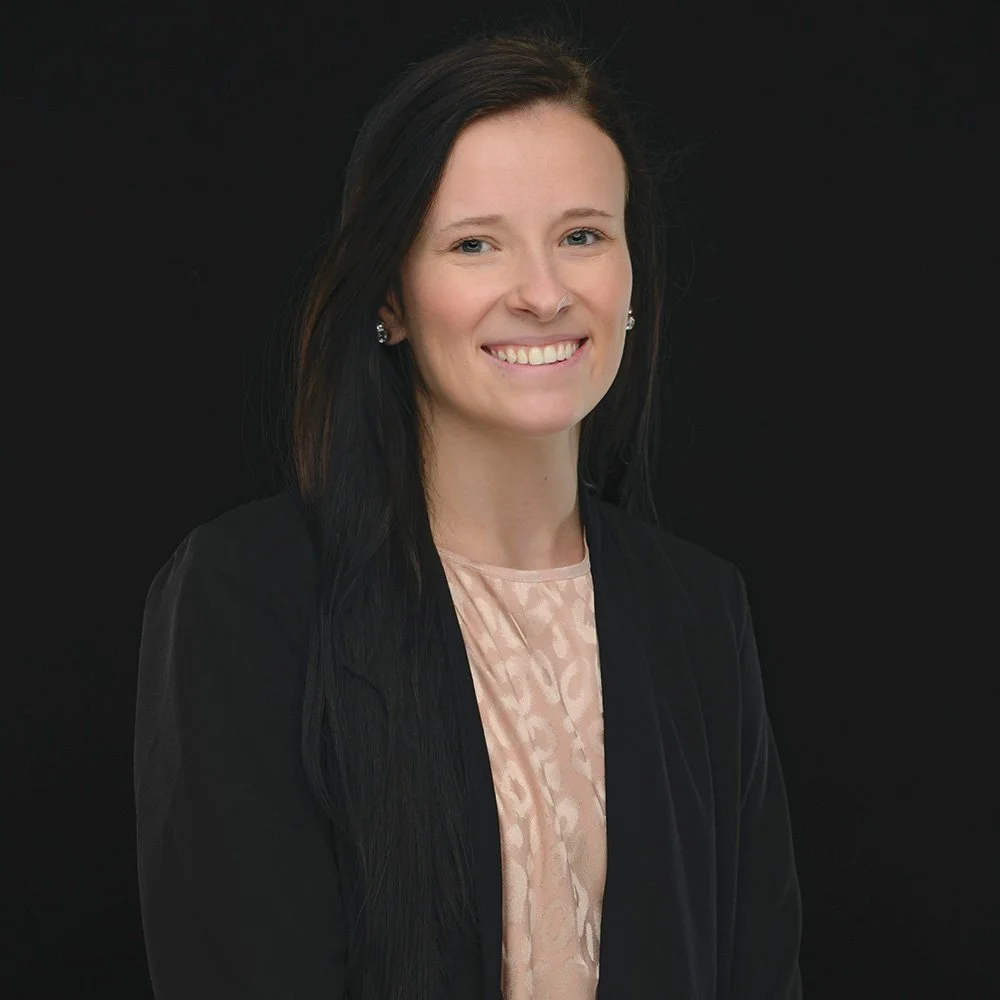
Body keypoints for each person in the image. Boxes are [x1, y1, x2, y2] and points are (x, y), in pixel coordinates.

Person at [134, 24, 803, 1000]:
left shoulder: (698, 609)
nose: (541, 291)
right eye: (474, 244)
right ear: (391, 299)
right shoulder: (248, 595)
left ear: (630, 283)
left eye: (581, 235)